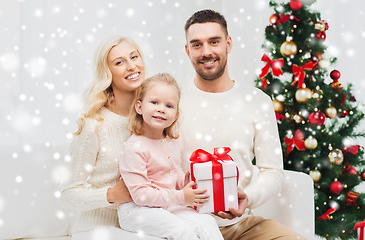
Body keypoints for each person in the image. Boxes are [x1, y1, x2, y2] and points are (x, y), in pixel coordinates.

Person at [180, 9, 306, 240]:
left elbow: (272, 172)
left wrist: (247, 196)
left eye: (214, 42)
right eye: (197, 45)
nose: (206, 52)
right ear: (188, 51)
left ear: (228, 44)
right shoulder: (171, 101)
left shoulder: (258, 102)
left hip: (241, 225)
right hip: (184, 225)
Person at [61, 36, 160, 240]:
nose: (132, 66)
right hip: (97, 228)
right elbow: (68, 194)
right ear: (107, 73)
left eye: (134, 57)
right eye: (119, 62)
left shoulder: (154, 119)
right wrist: (111, 195)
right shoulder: (94, 126)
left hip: (143, 223)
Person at [118, 73, 224, 240]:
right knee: (183, 231)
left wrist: (188, 181)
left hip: (167, 204)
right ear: (139, 107)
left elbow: (174, 176)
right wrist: (182, 196)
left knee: (207, 223)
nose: (161, 109)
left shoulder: (174, 140)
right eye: (154, 102)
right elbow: (141, 195)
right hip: (136, 210)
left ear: (175, 114)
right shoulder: (135, 147)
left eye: (169, 106)